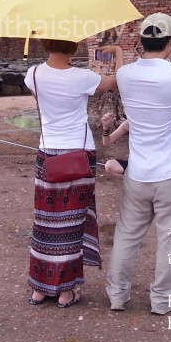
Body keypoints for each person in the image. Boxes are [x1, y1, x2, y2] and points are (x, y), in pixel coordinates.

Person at [106, 13, 171, 315]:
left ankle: (116, 296)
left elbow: (122, 69)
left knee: (126, 236)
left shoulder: (125, 76)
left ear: (140, 41)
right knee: (170, 241)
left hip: (137, 173)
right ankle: (162, 301)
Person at [24, 39, 121, 308]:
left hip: (48, 155)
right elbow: (116, 83)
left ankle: (40, 288)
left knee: (46, 222)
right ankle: (65, 290)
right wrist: (119, 54)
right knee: (71, 223)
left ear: (44, 44)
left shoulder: (32, 75)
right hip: (78, 155)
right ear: (73, 47)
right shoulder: (82, 77)